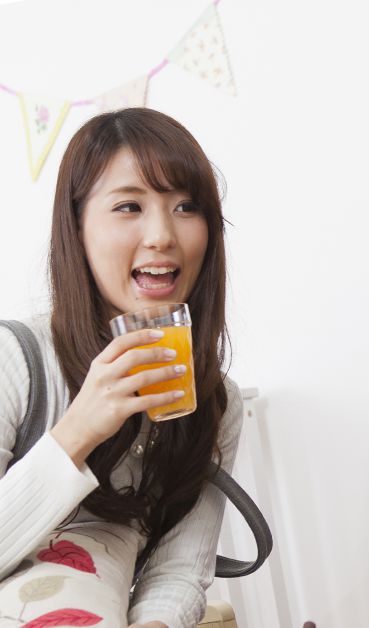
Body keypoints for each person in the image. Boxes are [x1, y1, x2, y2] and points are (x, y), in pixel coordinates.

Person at [0, 108, 241, 628]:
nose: (161, 235)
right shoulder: (14, 359)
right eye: (129, 206)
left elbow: (178, 572)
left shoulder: (215, 401)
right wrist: (79, 430)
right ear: (77, 225)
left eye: (186, 206)